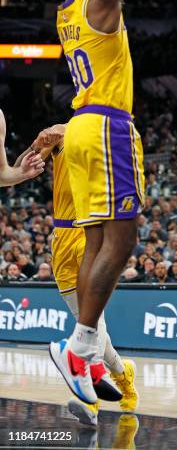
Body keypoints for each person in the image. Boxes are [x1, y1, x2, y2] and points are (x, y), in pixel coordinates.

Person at [43, 0, 177, 405]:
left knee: (97, 242)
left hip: (78, 129)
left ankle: (91, 352)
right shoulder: (102, 3)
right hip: (105, 128)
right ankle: (77, 344)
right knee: (121, 242)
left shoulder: (67, 9)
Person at [25, 123, 139, 427]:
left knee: (92, 324)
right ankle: (122, 374)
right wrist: (38, 144)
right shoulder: (63, 131)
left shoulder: (120, 139)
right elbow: (29, 161)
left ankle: (91, 400)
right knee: (89, 325)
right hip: (63, 236)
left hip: (95, 233)